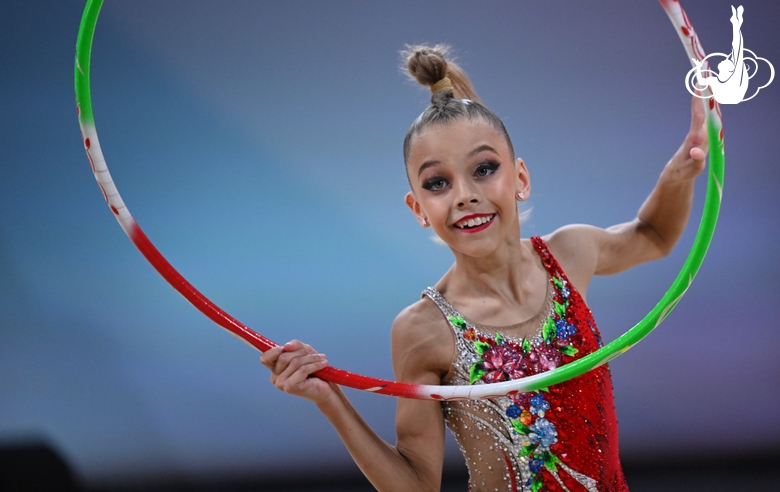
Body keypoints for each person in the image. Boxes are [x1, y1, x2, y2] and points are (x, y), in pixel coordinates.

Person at [261, 44, 708, 492]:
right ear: (418, 209)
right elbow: (417, 484)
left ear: (520, 178)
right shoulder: (424, 330)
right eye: (438, 182)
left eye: (484, 169)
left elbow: (653, 235)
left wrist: (677, 176)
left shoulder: (571, 253)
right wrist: (331, 401)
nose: (464, 195)